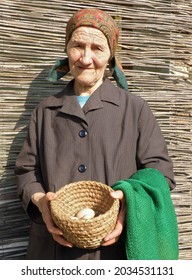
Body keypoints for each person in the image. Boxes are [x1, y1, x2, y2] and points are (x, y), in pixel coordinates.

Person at [15, 8, 176, 260]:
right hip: (53, 252)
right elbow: (26, 171)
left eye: (97, 48)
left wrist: (128, 204)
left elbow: (160, 173)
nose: (86, 58)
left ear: (110, 55)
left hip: (115, 250)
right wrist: (41, 203)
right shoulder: (45, 111)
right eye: (78, 46)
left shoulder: (135, 110)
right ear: (66, 49)